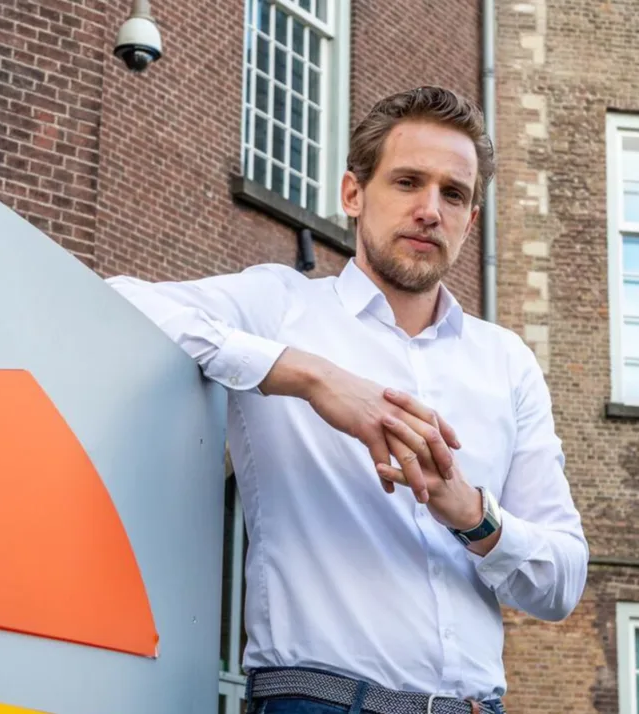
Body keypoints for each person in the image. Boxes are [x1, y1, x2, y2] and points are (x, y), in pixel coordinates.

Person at [107, 86, 588, 714]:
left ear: (471, 221)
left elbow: (562, 581)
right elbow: (119, 301)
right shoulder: (282, 308)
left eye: (453, 194)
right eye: (408, 182)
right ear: (353, 194)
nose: (430, 210)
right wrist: (309, 376)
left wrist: (472, 514)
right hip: (318, 700)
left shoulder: (507, 362)